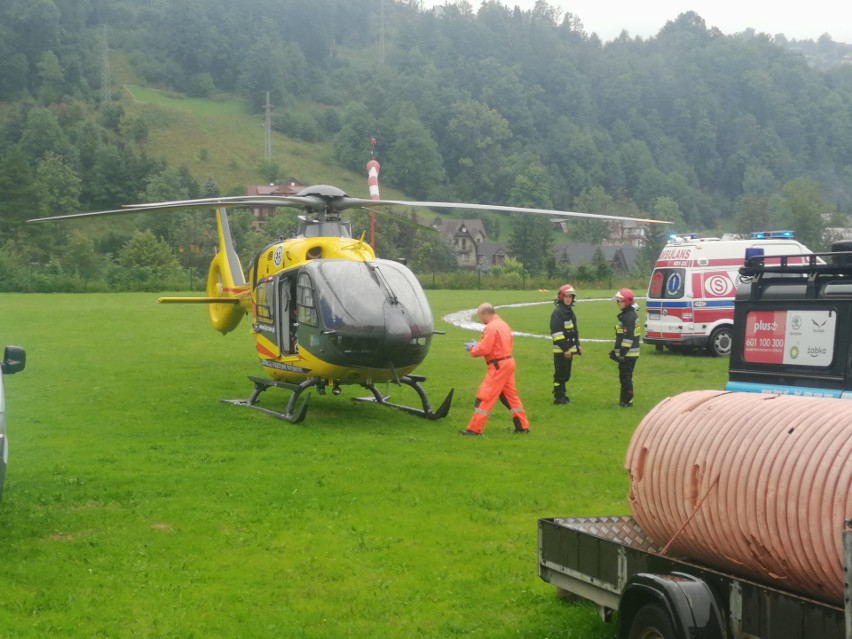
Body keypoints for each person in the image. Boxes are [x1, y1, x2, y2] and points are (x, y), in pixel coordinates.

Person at [461, 303, 530, 436]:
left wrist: (473, 349)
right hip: (508, 362)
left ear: (485, 314)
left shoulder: (490, 328)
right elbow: (498, 345)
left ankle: (474, 429)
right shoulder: (503, 324)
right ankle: (522, 426)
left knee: (485, 396)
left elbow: (485, 349)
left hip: (498, 366)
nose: (480, 319)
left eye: (480, 316)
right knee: (510, 397)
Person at [550, 284, 582, 405]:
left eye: (571, 297)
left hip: (568, 349)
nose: (568, 299)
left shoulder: (569, 312)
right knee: (560, 374)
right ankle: (558, 397)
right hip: (561, 350)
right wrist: (565, 349)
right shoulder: (558, 313)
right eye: (566, 296)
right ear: (561, 297)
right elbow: (556, 333)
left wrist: (577, 345)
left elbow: (574, 331)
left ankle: (562, 395)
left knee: (566, 374)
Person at [610, 288, 640, 407]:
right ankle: (624, 401)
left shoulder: (628, 316)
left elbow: (628, 337)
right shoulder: (628, 314)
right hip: (629, 353)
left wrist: (622, 353)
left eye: (621, 301)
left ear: (627, 301)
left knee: (626, 378)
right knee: (624, 377)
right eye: (617, 301)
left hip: (628, 354)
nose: (618, 303)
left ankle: (627, 401)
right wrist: (616, 352)